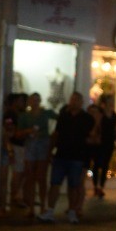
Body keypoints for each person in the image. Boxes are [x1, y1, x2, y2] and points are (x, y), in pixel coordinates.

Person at [40, 92, 92, 224]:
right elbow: (56, 134)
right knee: (55, 183)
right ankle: (50, 211)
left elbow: (90, 137)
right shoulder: (64, 116)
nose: (73, 102)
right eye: (72, 99)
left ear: (81, 102)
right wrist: (50, 151)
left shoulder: (86, 118)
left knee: (73, 185)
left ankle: (72, 211)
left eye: (76, 100)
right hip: (61, 155)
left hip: (77, 156)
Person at [18, 93, 55, 217]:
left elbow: (58, 121)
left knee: (41, 177)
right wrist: (28, 131)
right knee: (31, 177)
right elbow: (18, 133)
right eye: (33, 100)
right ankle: (32, 206)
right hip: (31, 144)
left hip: (42, 143)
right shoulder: (24, 116)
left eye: (37, 100)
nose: (35, 102)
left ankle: (43, 205)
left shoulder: (46, 113)